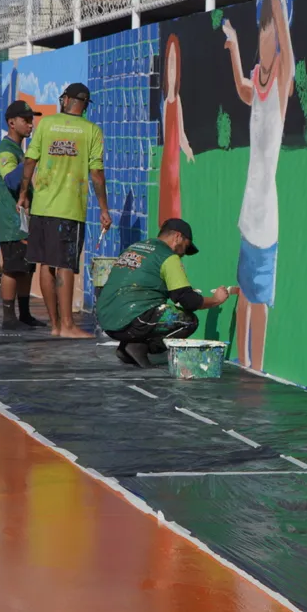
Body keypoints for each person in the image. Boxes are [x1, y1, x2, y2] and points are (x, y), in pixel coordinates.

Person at [222, 0, 294, 371]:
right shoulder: (257, 82)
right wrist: (234, 43)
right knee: (246, 292)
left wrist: (278, 7)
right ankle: (244, 361)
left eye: (270, 30)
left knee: (261, 294)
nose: (265, 36)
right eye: (263, 28)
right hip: (249, 205)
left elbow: (290, 62)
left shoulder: (281, 82)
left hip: (266, 209)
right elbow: (239, 86)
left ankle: (259, 368)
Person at [17, 82, 112, 339]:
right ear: (84, 104)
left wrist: (24, 194)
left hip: (42, 207)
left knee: (46, 265)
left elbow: (29, 161)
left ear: (67, 99)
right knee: (66, 265)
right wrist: (104, 207)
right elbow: (96, 174)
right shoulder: (92, 131)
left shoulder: (46, 125)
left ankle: (56, 324)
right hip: (69, 209)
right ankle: (68, 325)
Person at [96, 218, 231, 368]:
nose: (184, 254)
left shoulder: (134, 248)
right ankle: (139, 347)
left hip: (106, 319)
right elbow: (188, 301)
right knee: (188, 321)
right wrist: (216, 300)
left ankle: (126, 347)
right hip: (133, 318)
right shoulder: (168, 256)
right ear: (178, 237)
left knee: (155, 309)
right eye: (185, 247)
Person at [0, 100, 46, 330]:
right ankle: (8, 316)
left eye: (31, 120)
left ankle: (24, 314)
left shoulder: (17, 150)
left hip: (23, 222)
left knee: (26, 268)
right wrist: (29, 158)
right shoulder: (5, 152)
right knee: (13, 268)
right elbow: (12, 180)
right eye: (26, 120)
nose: (30, 124)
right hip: (11, 221)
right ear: (11, 123)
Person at [158, 33, 194, 224]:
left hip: (174, 157)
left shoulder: (176, 100)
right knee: (167, 187)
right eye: (169, 64)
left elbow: (180, 131)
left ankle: (173, 219)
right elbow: (166, 133)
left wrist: (187, 149)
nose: (171, 70)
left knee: (174, 187)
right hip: (167, 157)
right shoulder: (166, 102)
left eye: (174, 63)